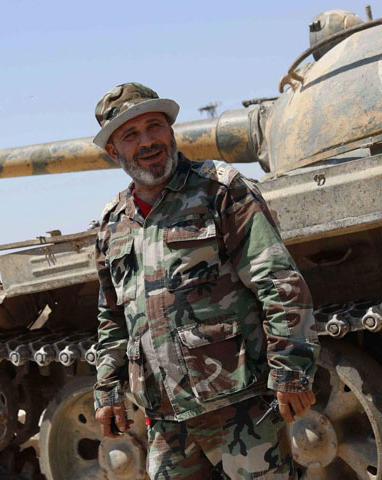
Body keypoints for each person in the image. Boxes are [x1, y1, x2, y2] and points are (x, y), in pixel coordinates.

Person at [91, 82, 319, 480]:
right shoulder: (113, 224)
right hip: (166, 419)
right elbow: (112, 319)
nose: (148, 141)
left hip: (240, 406)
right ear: (114, 151)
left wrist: (291, 370)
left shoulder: (220, 189)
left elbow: (278, 281)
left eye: (155, 126)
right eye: (131, 134)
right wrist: (108, 391)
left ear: (171, 130)